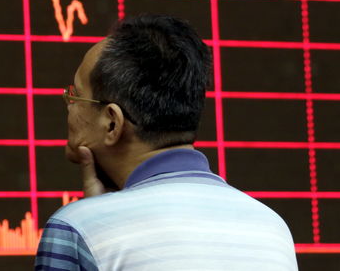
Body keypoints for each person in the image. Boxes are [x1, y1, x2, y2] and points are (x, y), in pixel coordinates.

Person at [34, 14, 298, 270]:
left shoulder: (75, 230)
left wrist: (95, 223)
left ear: (112, 123)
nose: (69, 107)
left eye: (75, 96)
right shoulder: (272, 229)